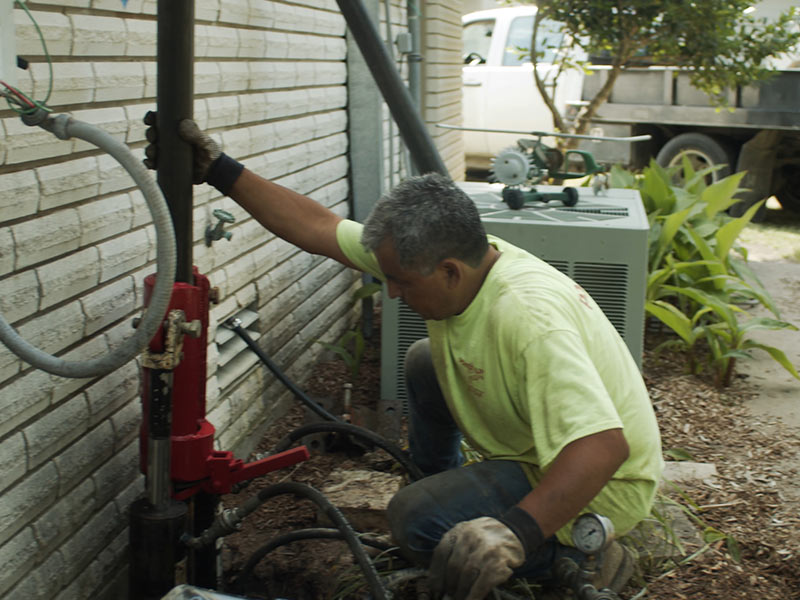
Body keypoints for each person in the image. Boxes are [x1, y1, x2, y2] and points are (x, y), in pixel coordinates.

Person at [144, 115, 664, 600]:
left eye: (400, 282)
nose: (390, 293)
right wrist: (219, 170)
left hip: (599, 484)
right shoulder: (447, 254)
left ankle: (576, 555)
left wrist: (515, 531)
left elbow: (602, 447)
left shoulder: (527, 320)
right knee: (422, 363)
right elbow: (320, 228)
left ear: (449, 272)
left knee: (413, 519)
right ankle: (447, 490)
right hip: (545, 444)